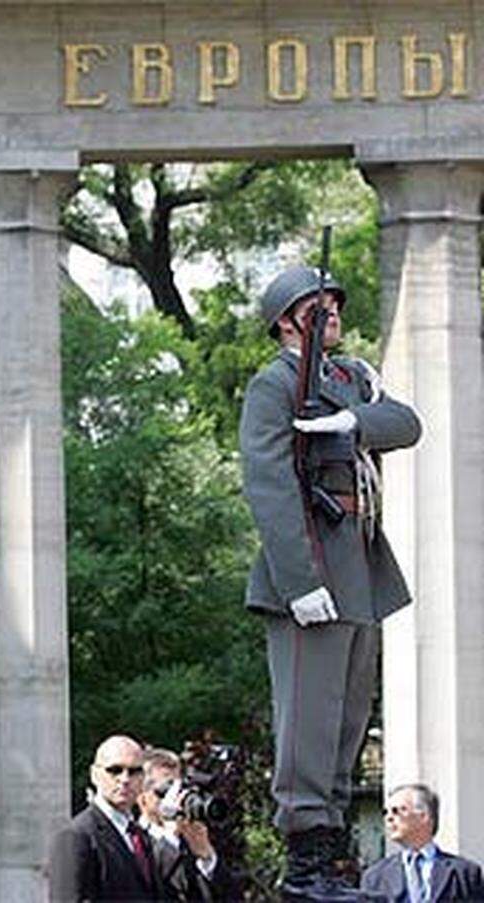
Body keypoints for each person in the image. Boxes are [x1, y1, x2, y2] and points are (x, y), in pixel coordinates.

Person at [239, 264, 421, 899]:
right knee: (309, 723)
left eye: (334, 304)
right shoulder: (274, 385)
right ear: (286, 321)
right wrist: (299, 580)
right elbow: (269, 485)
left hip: (360, 572)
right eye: (317, 307)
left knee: (347, 721)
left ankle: (333, 854)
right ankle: (306, 864)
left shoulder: (351, 378)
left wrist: (354, 423)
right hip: (312, 570)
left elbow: (407, 423)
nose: (333, 314)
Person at [56, 735, 166, 901]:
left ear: (143, 777)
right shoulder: (76, 836)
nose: (125, 779)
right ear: (94, 775)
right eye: (114, 770)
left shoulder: (140, 836)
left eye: (134, 771)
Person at [360, 784, 484, 901]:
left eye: (396, 811)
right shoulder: (374, 877)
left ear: (423, 816)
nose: (389, 818)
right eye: (385, 812)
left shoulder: (464, 873)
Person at [137, 748, 231, 902]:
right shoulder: (132, 841)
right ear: (143, 798)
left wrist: (208, 859)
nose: (174, 798)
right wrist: (170, 837)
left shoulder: (191, 836)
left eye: (178, 789)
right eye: (165, 791)